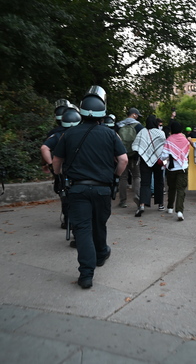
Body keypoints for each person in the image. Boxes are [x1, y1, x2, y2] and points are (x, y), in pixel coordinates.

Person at [52, 86, 128, 289]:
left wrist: (60, 175)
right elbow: (123, 160)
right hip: (103, 189)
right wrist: (114, 177)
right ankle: (101, 253)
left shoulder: (68, 134)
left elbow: (57, 161)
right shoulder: (110, 134)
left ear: (81, 112)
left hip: (77, 190)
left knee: (83, 229)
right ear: (102, 114)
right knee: (99, 223)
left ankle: (86, 275)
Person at [41, 106, 81, 233]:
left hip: (62, 170)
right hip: (79, 170)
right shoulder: (82, 133)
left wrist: (51, 165)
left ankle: (67, 218)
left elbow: (44, 148)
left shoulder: (56, 134)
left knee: (64, 193)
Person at [132, 115, 166, 216]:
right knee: (159, 182)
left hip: (144, 161)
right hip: (158, 161)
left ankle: (142, 205)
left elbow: (135, 146)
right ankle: (160, 204)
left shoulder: (142, 132)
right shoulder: (160, 132)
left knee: (145, 183)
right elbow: (164, 146)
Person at [160, 121, 190, 221]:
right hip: (183, 167)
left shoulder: (169, 140)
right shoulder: (185, 140)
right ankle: (180, 211)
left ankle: (170, 207)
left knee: (171, 187)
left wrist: (170, 156)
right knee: (181, 189)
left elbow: (163, 156)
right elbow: (186, 153)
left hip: (171, 168)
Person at [116, 108, 144, 208]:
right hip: (135, 155)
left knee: (123, 177)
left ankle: (123, 201)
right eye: (137, 115)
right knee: (137, 176)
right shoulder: (139, 126)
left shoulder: (118, 125)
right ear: (134, 115)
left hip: (121, 155)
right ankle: (137, 196)